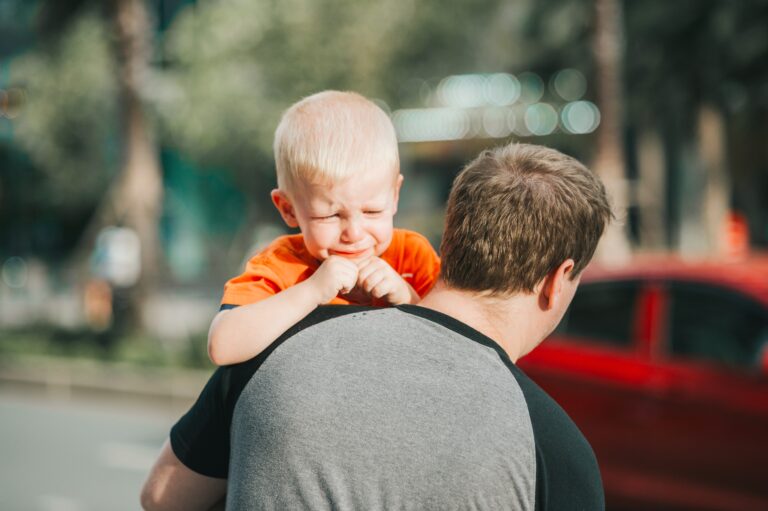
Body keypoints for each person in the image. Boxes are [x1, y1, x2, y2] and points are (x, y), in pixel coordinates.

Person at [141, 142, 612, 510]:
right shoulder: (555, 450)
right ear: (557, 281)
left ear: (452, 238)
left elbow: (161, 498)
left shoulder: (274, 351)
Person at [207, 91, 441, 366]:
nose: (354, 233)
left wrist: (408, 298)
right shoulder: (281, 265)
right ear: (288, 209)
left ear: (395, 196)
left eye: (371, 211)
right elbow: (223, 347)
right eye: (330, 215)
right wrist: (311, 291)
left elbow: (457, 346)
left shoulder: (412, 256)